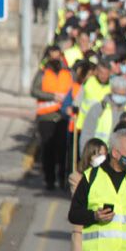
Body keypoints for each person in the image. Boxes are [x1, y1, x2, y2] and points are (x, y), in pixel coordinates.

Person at [33, 46, 73, 191]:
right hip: (46, 117)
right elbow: (34, 90)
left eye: (58, 56)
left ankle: (62, 178)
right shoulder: (43, 73)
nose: (55, 59)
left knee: (62, 149)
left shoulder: (67, 73)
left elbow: (72, 90)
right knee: (48, 148)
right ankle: (49, 179)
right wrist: (52, 96)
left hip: (63, 116)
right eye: (52, 56)